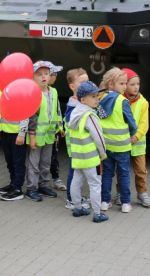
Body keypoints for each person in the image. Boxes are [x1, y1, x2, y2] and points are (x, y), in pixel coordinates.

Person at [68, 81, 108, 223]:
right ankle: (97, 213)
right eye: (93, 96)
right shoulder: (90, 116)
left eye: (97, 96)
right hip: (91, 158)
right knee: (95, 184)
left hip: (78, 156)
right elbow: (99, 137)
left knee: (76, 182)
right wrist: (103, 153)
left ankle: (77, 208)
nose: (97, 99)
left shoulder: (75, 114)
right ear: (83, 100)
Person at [98, 67, 136, 213]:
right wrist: (132, 133)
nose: (125, 86)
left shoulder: (100, 99)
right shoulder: (122, 101)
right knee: (124, 174)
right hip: (122, 145)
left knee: (107, 174)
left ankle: (104, 201)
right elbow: (131, 122)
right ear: (111, 84)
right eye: (121, 83)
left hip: (106, 145)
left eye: (125, 83)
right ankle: (125, 203)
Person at [24, 61, 60, 202]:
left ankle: (43, 185)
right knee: (34, 163)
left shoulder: (54, 92)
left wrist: (58, 129)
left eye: (46, 73)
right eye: (39, 74)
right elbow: (32, 117)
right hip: (37, 136)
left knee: (45, 162)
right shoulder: (34, 93)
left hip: (49, 135)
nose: (43, 77)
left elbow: (56, 112)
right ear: (33, 77)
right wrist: (31, 136)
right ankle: (31, 188)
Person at [122, 68, 150, 208]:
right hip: (123, 141)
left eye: (137, 84)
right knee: (121, 170)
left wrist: (136, 136)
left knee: (140, 170)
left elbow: (144, 123)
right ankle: (120, 193)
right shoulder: (120, 100)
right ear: (124, 85)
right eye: (132, 84)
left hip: (138, 143)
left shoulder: (143, 102)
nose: (136, 87)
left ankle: (142, 193)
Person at [0, 81, 29, 202]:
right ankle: (13, 183)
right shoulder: (0, 89)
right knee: (9, 161)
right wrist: (0, 129)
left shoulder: (20, 89)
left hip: (16, 134)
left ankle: (18, 189)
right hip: (5, 132)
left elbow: (26, 112)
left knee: (18, 162)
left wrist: (22, 133)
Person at [63, 68, 91, 209]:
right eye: (82, 82)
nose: (86, 84)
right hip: (74, 146)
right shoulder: (73, 104)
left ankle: (76, 196)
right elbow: (72, 123)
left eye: (87, 81)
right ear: (72, 86)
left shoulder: (81, 102)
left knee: (77, 173)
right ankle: (71, 199)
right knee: (73, 173)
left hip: (80, 146)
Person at [45, 62, 66, 192]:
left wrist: (60, 127)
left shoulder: (54, 92)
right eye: (53, 74)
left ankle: (55, 178)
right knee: (42, 159)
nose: (56, 76)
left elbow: (57, 111)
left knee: (53, 156)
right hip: (41, 133)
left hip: (54, 131)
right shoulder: (37, 92)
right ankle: (40, 181)